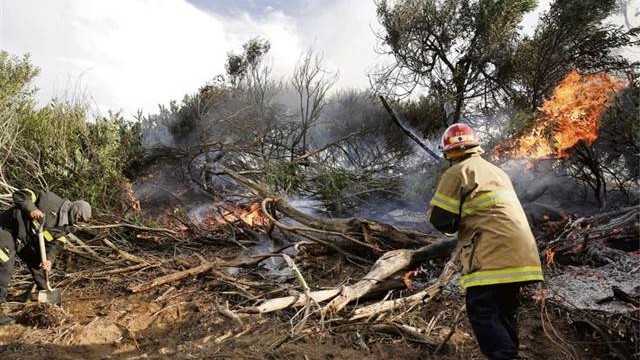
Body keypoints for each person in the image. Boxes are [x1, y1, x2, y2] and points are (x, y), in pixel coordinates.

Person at [427, 123, 543, 360]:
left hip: (491, 257)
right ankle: (509, 354)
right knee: (505, 313)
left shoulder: (457, 171)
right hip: (523, 255)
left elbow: (441, 220)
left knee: (482, 311)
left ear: (448, 151)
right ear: (475, 145)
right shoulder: (497, 171)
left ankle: (503, 356)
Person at [0, 188, 91, 325]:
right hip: (7, 229)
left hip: (24, 241)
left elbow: (56, 245)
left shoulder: (66, 227)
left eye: (81, 221)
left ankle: (47, 302)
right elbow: (20, 195)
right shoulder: (48, 199)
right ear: (75, 209)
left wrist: (49, 259)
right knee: (5, 267)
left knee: (39, 265)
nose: (78, 222)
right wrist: (31, 208)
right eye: (79, 217)